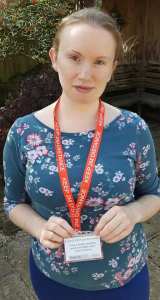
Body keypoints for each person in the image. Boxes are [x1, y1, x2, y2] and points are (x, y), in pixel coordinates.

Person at [3, 7, 160, 300]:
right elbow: (12, 203)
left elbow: (154, 193)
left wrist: (133, 212)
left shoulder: (133, 128)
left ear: (112, 68)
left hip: (124, 278)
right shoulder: (24, 132)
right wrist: (38, 227)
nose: (85, 74)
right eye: (74, 57)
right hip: (53, 277)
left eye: (100, 62)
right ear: (54, 58)